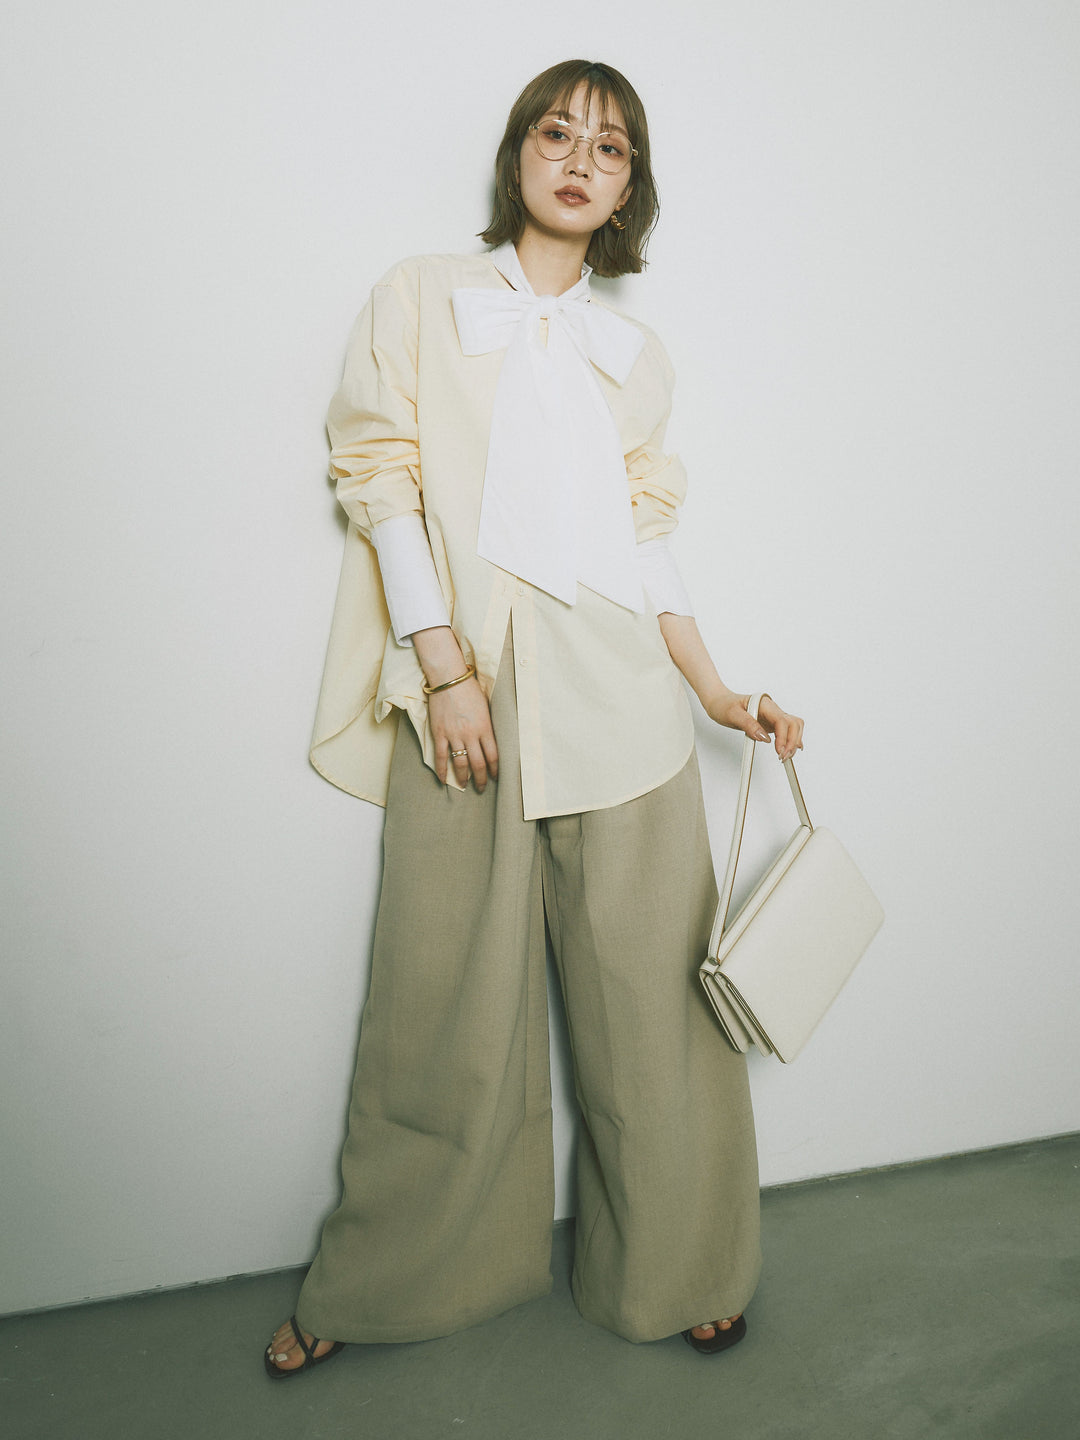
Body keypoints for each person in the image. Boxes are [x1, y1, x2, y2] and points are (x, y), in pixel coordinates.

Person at [265, 58, 804, 1378]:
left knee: (656, 1013)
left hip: (624, 699)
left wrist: (715, 689)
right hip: (474, 701)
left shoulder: (636, 357)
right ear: (518, 153)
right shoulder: (421, 297)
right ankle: (389, 1279)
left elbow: (645, 541)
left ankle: (686, 1263)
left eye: (609, 148)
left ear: (629, 188)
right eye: (558, 133)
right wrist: (444, 667)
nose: (578, 160)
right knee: (437, 1005)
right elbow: (382, 480)